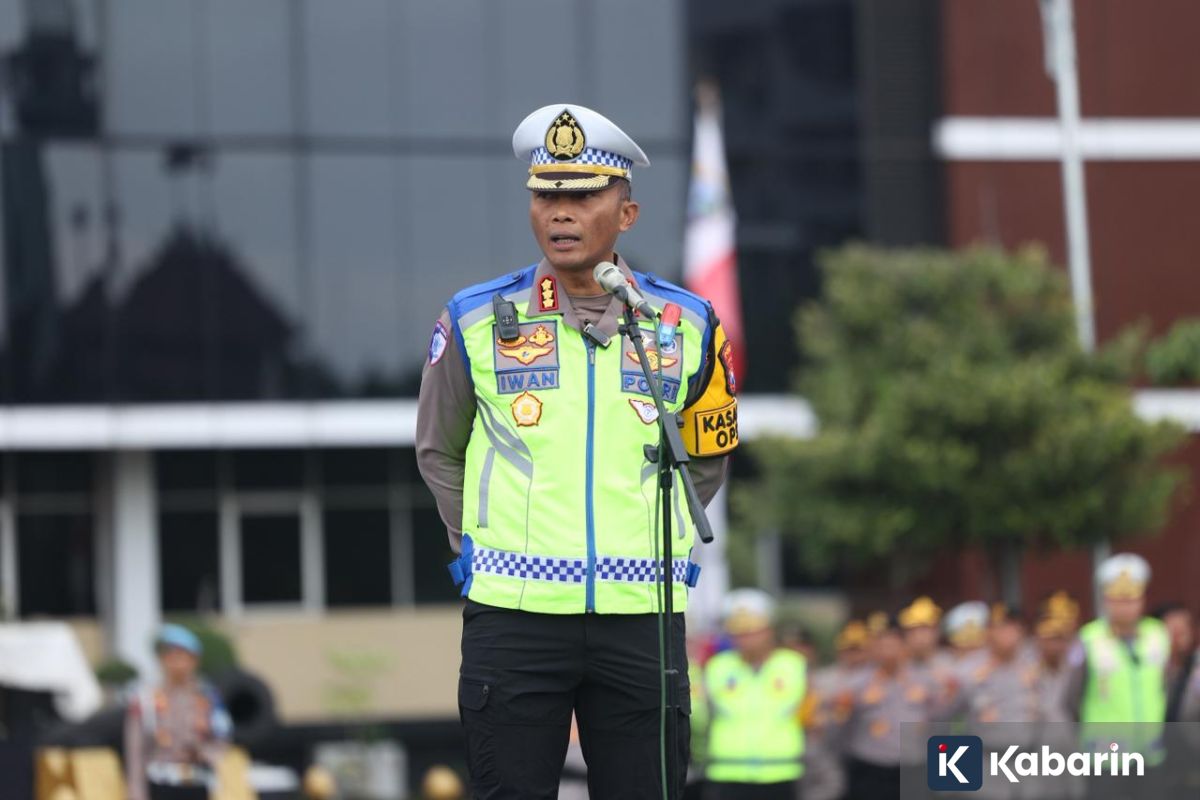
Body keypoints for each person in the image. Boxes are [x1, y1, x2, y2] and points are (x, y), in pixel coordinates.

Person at [416, 102, 738, 799]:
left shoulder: (686, 323)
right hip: (513, 618)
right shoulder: (475, 318)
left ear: (627, 214)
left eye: (583, 196)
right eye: (546, 195)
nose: (560, 212)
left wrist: (654, 532)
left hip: (641, 616)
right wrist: (479, 542)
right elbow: (438, 449)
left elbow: (708, 455)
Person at [1064, 553, 1170, 791]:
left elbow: (1165, 686)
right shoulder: (1089, 638)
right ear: (1106, 601)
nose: (1125, 607)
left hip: (1149, 751)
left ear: (1142, 600)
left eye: (1131, 599)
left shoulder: (1158, 634)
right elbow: (1071, 698)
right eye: (1118, 600)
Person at [702, 590, 806, 799]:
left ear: (769, 630)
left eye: (752, 631)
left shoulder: (792, 664)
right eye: (738, 633)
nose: (745, 639)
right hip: (727, 772)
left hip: (781, 772)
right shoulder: (718, 666)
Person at [834, 616, 941, 800]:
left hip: (914, 766)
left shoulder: (926, 681)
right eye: (881, 644)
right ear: (872, 648)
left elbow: (940, 719)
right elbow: (840, 728)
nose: (887, 651)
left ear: (904, 646)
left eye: (893, 644)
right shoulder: (856, 685)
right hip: (871, 768)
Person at [123, 624, 232, 800]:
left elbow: (222, 737)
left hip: (196, 782)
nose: (177, 663)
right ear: (162, 660)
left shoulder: (207, 698)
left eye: (183, 657)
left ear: (194, 661)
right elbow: (135, 750)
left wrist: (203, 754)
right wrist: (136, 792)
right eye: (171, 656)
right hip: (160, 782)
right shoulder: (146, 699)